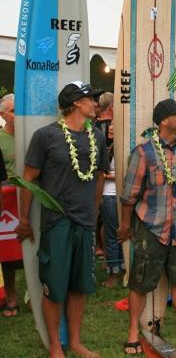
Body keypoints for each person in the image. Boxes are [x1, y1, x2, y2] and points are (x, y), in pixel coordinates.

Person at [15, 81, 108, 358]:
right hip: (57, 221)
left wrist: (95, 210)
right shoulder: (46, 137)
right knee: (54, 288)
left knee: (80, 286)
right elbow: (28, 179)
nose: (95, 102)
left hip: (86, 222)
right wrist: (23, 220)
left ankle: (76, 343)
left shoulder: (98, 138)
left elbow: (100, 176)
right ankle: (56, 345)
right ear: (76, 103)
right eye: (91, 98)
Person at [119, 99, 176, 355]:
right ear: (164, 120)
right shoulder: (144, 152)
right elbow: (129, 195)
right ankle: (133, 331)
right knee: (140, 281)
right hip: (151, 227)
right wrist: (125, 225)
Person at [0, 94, 19, 317]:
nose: (17, 114)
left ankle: (35, 294)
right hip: (7, 202)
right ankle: (12, 297)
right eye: (13, 110)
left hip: (31, 198)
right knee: (9, 251)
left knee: (34, 249)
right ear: (3, 115)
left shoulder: (31, 135)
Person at [100, 123, 122, 287]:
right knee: (113, 235)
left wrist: (107, 176)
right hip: (109, 195)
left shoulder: (122, 148)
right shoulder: (109, 148)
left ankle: (115, 275)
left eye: (115, 128)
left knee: (115, 236)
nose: (110, 130)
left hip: (114, 195)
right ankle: (116, 271)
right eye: (110, 129)